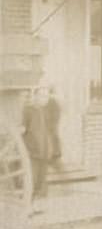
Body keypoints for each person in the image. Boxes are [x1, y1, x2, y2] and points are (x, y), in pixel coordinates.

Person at [21, 85, 62, 213]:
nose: (45, 99)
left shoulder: (45, 112)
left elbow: (50, 131)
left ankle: (32, 205)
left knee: (40, 181)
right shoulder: (28, 110)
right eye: (42, 96)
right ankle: (26, 206)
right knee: (31, 180)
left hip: (44, 151)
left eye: (47, 96)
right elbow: (22, 129)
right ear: (35, 96)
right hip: (32, 152)